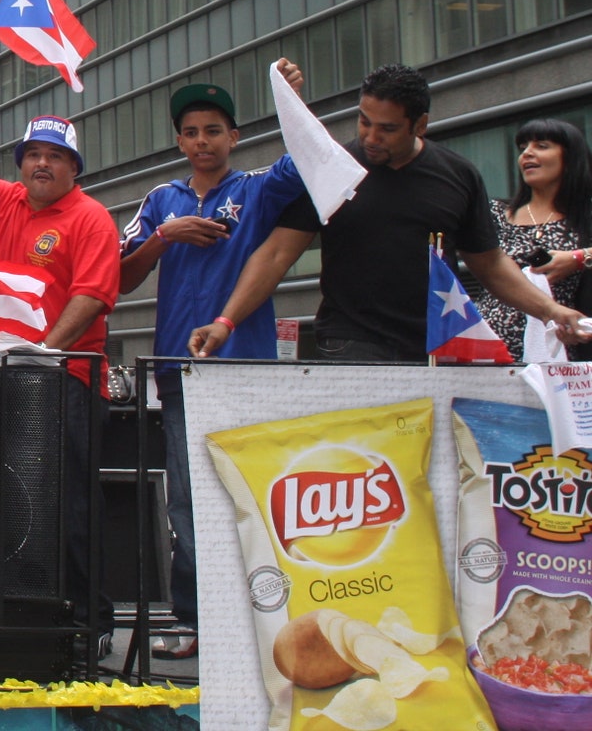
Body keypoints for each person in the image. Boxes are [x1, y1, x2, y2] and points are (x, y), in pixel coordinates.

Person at [190, 65, 591, 360]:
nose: (370, 137)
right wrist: (226, 322)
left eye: (387, 128)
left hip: (437, 344)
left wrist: (549, 310)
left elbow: (489, 264)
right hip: (350, 341)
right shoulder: (333, 167)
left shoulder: (458, 175)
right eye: (364, 122)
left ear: (421, 125)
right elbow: (277, 254)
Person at [116, 69, 307, 660]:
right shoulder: (160, 202)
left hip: (246, 368)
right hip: (179, 373)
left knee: (252, 497)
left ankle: (263, 621)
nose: (202, 141)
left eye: (214, 131)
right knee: (187, 503)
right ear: (179, 142)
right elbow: (121, 279)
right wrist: (164, 237)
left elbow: (304, 165)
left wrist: (294, 103)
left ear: (234, 135)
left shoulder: (256, 190)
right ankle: (197, 621)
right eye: (192, 132)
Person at [0, 74, 123, 641]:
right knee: (4, 498)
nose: (42, 165)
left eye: (55, 157)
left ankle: (91, 621)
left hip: (69, 382)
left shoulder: (90, 219)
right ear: (19, 165)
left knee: (72, 506)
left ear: (74, 169)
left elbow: (91, 297)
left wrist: (42, 353)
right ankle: (18, 610)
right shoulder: (4, 201)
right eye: (32, 154)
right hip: (4, 380)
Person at [478, 118, 592, 361]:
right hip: (488, 351)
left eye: (541, 146)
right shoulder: (496, 212)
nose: (527, 154)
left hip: (557, 355)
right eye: (522, 148)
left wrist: (579, 258)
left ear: (570, 156)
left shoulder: (586, 215)